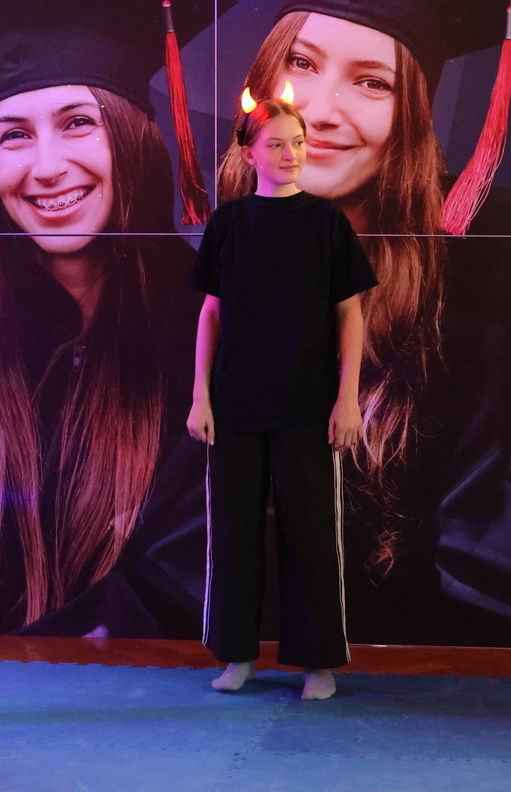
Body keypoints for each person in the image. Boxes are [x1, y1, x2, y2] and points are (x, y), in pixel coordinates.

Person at [218, 0, 511, 645]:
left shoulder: (484, 262)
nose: (319, 111)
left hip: (430, 657)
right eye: (301, 64)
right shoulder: (240, 239)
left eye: (372, 82)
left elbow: (508, 517)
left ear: (414, 113)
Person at [0, 0, 225, 635]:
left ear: (134, 137)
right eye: (14, 134)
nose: (46, 167)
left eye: (78, 122)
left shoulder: (206, 321)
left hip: (147, 684)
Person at [188, 97, 377, 699]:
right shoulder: (229, 224)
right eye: (275, 143)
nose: (290, 153)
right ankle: (237, 656)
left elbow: (350, 315)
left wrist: (348, 399)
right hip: (237, 405)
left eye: (297, 141)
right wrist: (200, 396)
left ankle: (317, 663)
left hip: (309, 406)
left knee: (312, 535)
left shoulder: (326, 222)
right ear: (249, 155)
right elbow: (211, 314)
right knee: (234, 534)